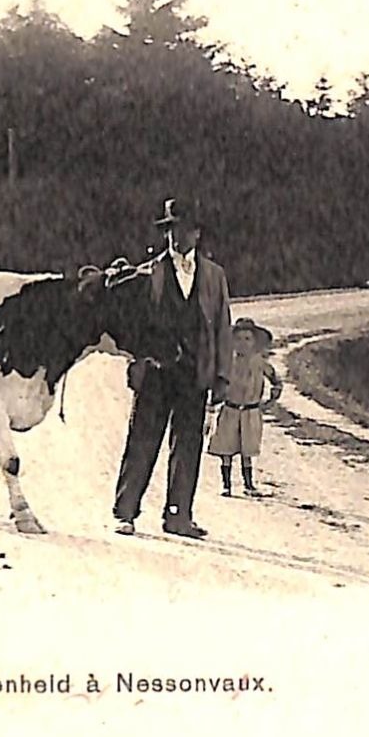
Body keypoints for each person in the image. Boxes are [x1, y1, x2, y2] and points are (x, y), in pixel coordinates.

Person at [112, 197, 233, 539]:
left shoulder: (214, 277)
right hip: (156, 371)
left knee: (188, 443)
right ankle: (126, 512)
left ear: (196, 233)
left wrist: (222, 376)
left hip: (195, 373)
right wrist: (135, 363)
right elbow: (134, 327)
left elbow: (223, 327)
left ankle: (178, 516)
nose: (175, 238)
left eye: (181, 230)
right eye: (170, 231)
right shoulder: (149, 272)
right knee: (142, 439)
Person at [207, 319, 283, 497]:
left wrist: (271, 400)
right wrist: (212, 405)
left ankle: (248, 484)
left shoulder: (260, 363)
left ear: (255, 342)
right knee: (226, 447)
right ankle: (226, 485)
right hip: (230, 410)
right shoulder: (227, 363)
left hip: (251, 411)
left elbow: (276, 382)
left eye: (248, 339)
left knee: (247, 448)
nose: (243, 343)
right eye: (238, 339)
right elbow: (216, 383)